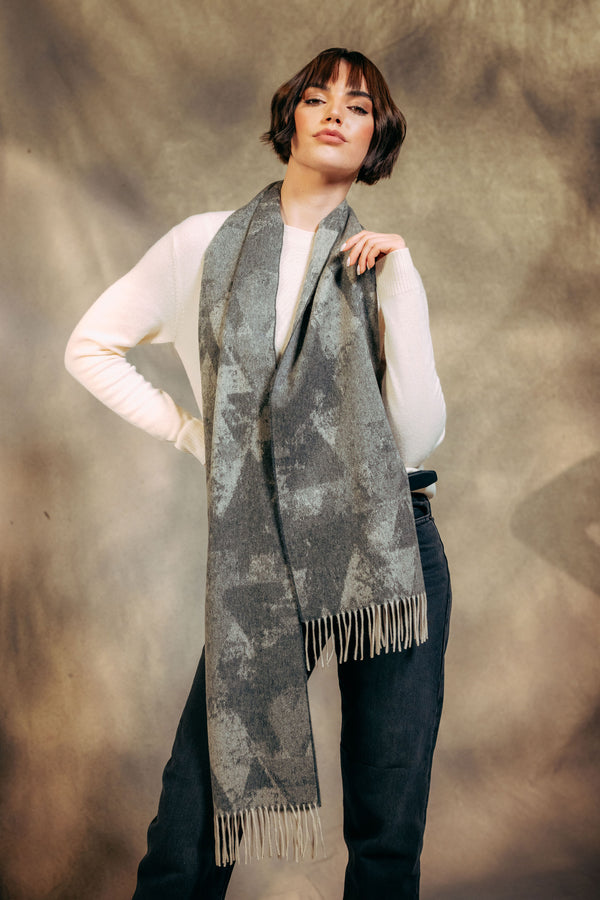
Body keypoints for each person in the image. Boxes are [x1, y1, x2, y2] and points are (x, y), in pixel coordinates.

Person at [65, 47, 451, 900]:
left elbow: (416, 437)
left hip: (391, 540)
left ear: (376, 136)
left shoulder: (381, 262)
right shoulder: (205, 244)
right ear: (291, 118)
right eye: (317, 97)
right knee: (197, 800)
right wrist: (193, 436)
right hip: (264, 541)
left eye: (357, 105)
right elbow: (89, 346)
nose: (335, 112)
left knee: (390, 814)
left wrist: (403, 286)